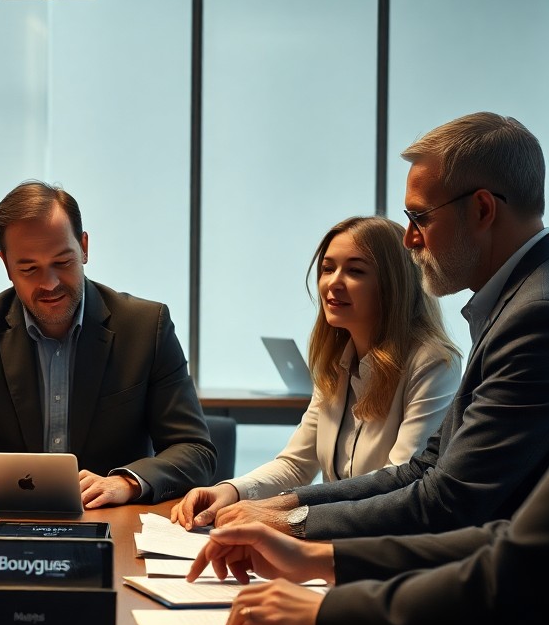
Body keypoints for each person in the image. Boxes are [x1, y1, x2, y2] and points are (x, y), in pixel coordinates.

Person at [187, 25, 549, 625]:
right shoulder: (541, 304)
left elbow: (506, 543)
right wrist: (310, 548)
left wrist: (325, 590)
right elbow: (474, 506)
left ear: (482, 209)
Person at [209, 113, 549, 540]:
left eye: (421, 217)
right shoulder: (526, 297)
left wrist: (291, 524)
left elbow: (450, 500)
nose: (410, 239)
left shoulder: (543, 314)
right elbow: (426, 469)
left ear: (482, 209)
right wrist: (285, 503)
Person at [0, 180, 216, 508]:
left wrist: (126, 483)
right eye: (29, 269)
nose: (49, 283)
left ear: (83, 247)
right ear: (6, 265)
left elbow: (195, 450)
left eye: (62, 262)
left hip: (112, 523)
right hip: (7, 523)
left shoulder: (145, 327)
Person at [172, 217, 461, 529]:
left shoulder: (432, 362)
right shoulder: (338, 361)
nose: (333, 282)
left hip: (384, 547)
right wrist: (229, 490)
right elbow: (295, 464)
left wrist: (286, 514)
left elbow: (400, 480)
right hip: (332, 537)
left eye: (355, 271)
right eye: (327, 268)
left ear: (393, 285)